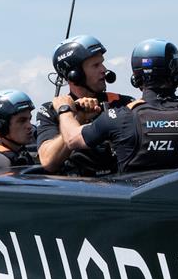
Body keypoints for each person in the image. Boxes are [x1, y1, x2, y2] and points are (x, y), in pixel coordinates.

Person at [51, 39, 178, 173]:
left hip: (138, 212)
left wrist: (64, 109)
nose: (103, 69)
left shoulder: (118, 117)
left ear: (135, 77)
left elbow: (72, 139)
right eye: (96, 65)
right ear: (177, 76)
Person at [36, 34, 134, 176]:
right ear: (75, 75)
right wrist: (75, 117)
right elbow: (48, 161)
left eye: (102, 63)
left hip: (119, 187)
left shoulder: (122, 103)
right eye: (95, 65)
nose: (104, 70)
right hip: (78, 191)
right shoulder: (52, 110)